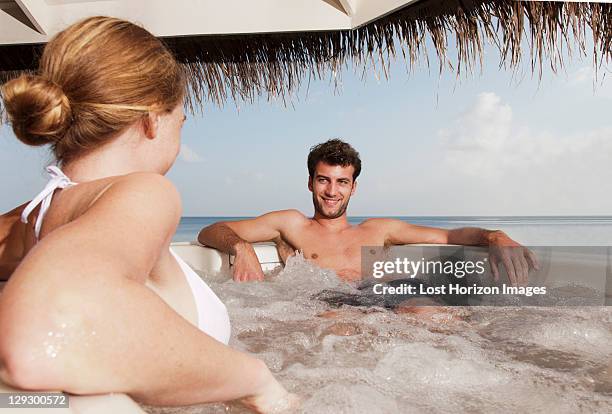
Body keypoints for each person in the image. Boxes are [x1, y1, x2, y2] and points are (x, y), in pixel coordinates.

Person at [0, 16, 296, 412]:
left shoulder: (35, 216)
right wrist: (256, 381)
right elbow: (44, 329)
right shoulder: (143, 192)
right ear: (153, 117)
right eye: (181, 119)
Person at [198, 139, 539, 286]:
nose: (332, 192)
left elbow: (449, 236)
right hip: (327, 304)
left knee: (434, 317)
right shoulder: (291, 224)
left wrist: (495, 236)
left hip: (388, 296)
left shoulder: (379, 230)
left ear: (353, 187)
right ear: (310, 183)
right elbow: (211, 231)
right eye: (324, 180)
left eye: (342, 182)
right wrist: (241, 248)